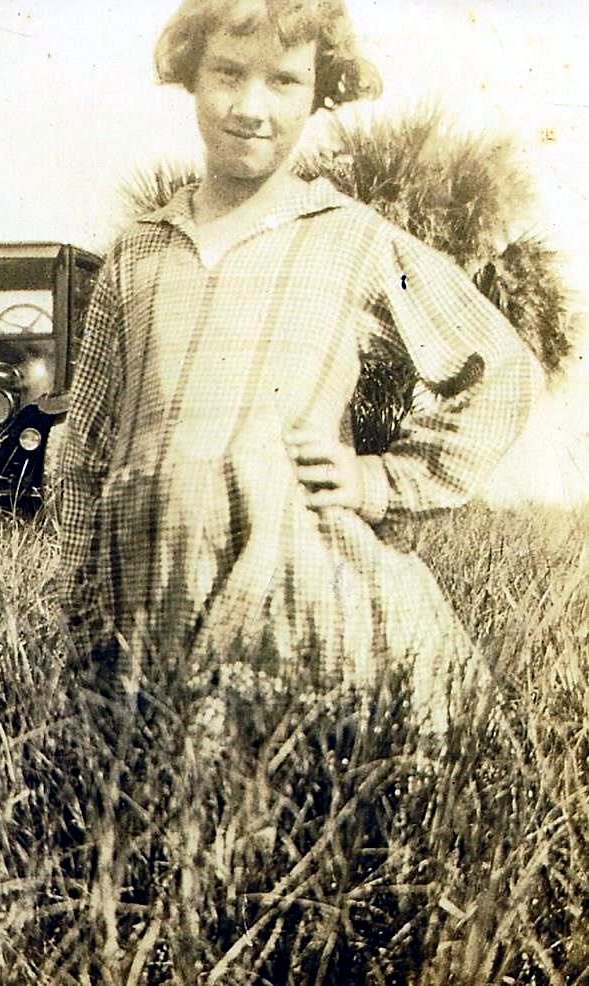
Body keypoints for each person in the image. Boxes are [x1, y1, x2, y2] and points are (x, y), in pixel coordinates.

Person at [57, 0, 542, 733]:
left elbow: (499, 368)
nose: (251, 108)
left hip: (294, 600)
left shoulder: (353, 240)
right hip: (146, 608)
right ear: (190, 74)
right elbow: (86, 447)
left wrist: (379, 480)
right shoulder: (140, 250)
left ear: (320, 90)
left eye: (284, 81)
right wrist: (79, 600)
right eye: (228, 74)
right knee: (148, 784)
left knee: (296, 771)